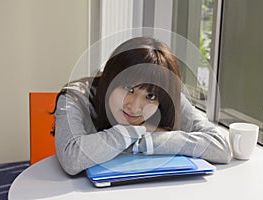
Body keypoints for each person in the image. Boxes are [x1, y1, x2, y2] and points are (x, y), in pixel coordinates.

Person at [52, 37, 231, 175]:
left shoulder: (166, 97)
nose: (135, 107)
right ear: (110, 79)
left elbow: (220, 147)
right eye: (128, 89)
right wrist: (134, 133)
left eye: (150, 96)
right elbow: (72, 159)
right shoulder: (75, 98)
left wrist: (147, 142)